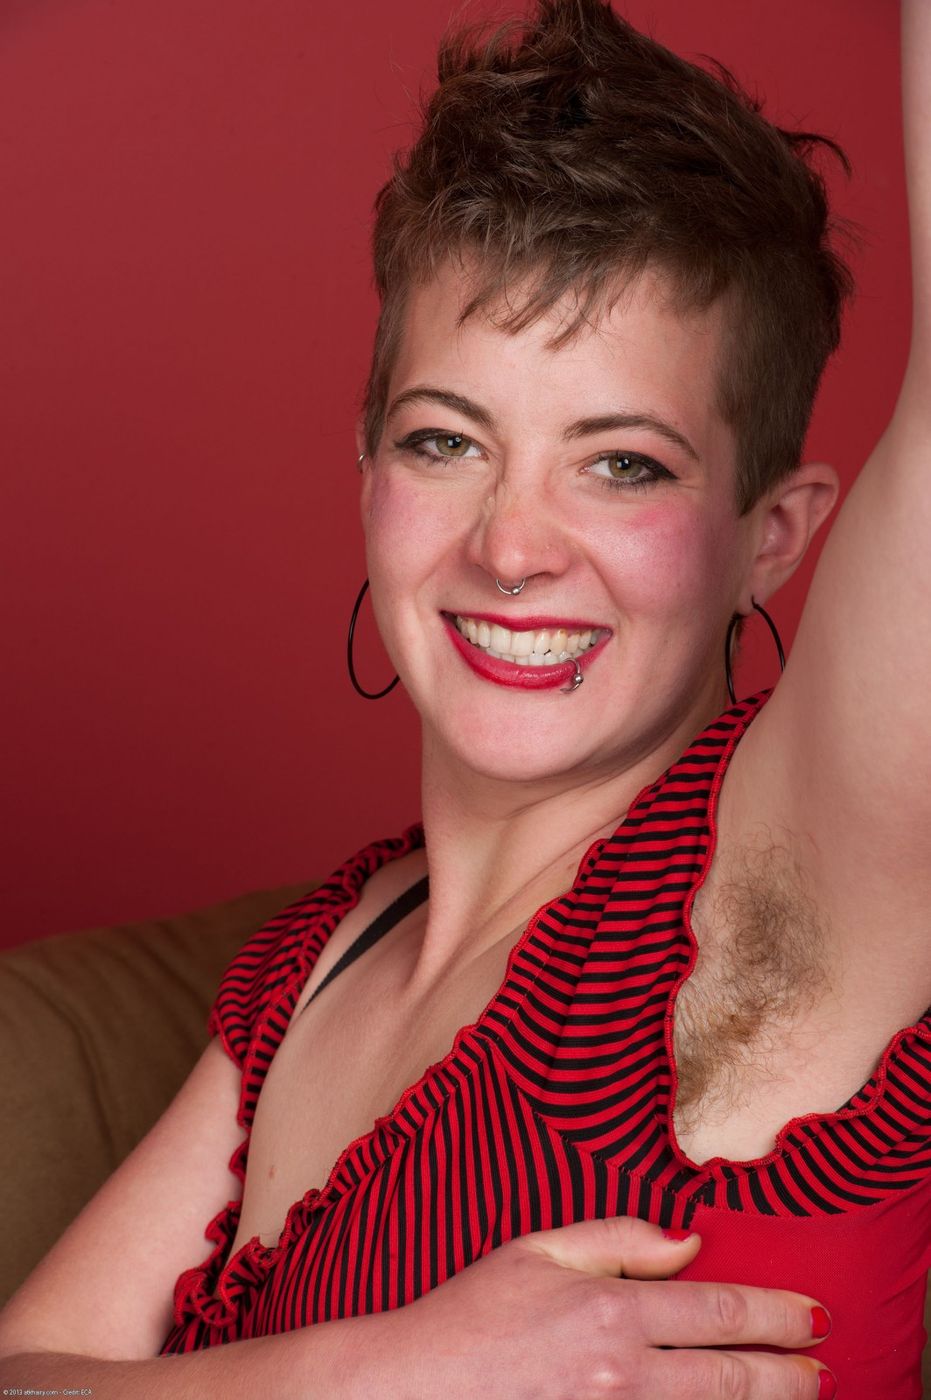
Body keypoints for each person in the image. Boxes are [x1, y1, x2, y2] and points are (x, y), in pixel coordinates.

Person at [0, 0, 928, 1395]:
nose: (509, 545)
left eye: (623, 464)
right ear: (366, 468)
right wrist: (383, 1372)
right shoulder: (326, 956)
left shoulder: (786, 885)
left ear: (773, 534)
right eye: (446, 441)